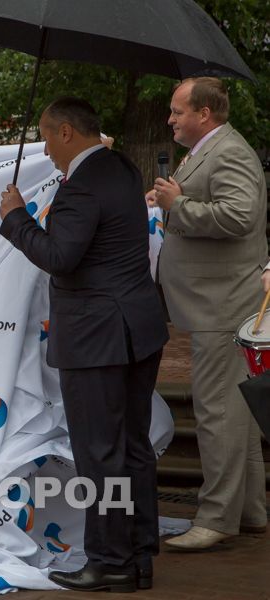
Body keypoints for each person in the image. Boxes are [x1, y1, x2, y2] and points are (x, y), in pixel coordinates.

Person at [0, 97, 168, 592]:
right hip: (138, 329)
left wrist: (17, 217)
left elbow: (59, 256)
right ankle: (138, 554)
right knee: (133, 447)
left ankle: (109, 560)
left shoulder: (81, 187)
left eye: (47, 138)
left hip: (96, 339)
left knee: (100, 454)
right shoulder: (121, 168)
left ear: (67, 132)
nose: (46, 150)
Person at [151, 77, 268, 550]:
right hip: (214, 302)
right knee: (233, 409)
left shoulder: (230, 151)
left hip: (223, 303)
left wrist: (177, 205)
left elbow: (239, 216)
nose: (170, 119)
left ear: (204, 113)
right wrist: (168, 203)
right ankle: (250, 510)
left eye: (177, 111)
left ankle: (217, 517)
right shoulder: (209, 149)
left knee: (217, 410)